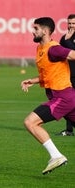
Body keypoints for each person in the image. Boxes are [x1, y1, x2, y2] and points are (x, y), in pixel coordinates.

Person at [21, 17, 75, 175]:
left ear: (44, 31)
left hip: (62, 97)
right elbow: (49, 73)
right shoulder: (41, 49)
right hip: (67, 98)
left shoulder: (54, 48)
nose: (33, 31)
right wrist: (33, 80)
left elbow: (72, 55)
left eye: (35, 28)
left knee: (30, 122)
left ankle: (56, 156)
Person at [56, 14, 75, 136]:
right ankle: (69, 130)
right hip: (68, 75)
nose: (71, 26)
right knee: (68, 103)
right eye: (69, 23)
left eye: (73, 23)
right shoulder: (64, 38)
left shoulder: (67, 39)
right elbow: (60, 53)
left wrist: (68, 40)